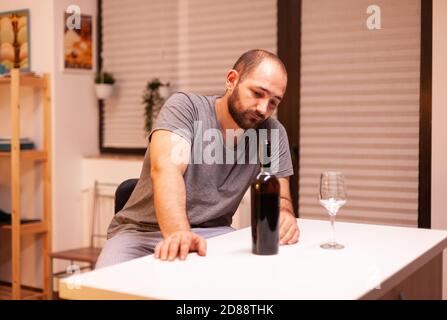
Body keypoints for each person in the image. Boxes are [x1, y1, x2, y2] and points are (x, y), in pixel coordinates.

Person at [95, 49, 300, 269]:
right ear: (232, 80)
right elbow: (167, 171)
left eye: (273, 103)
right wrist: (180, 233)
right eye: (258, 93)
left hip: (215, 235)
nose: (263, 109)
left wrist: (285, 214)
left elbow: (281, 198)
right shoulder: (186, 108)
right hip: (140, 234)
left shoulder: (271, 133)